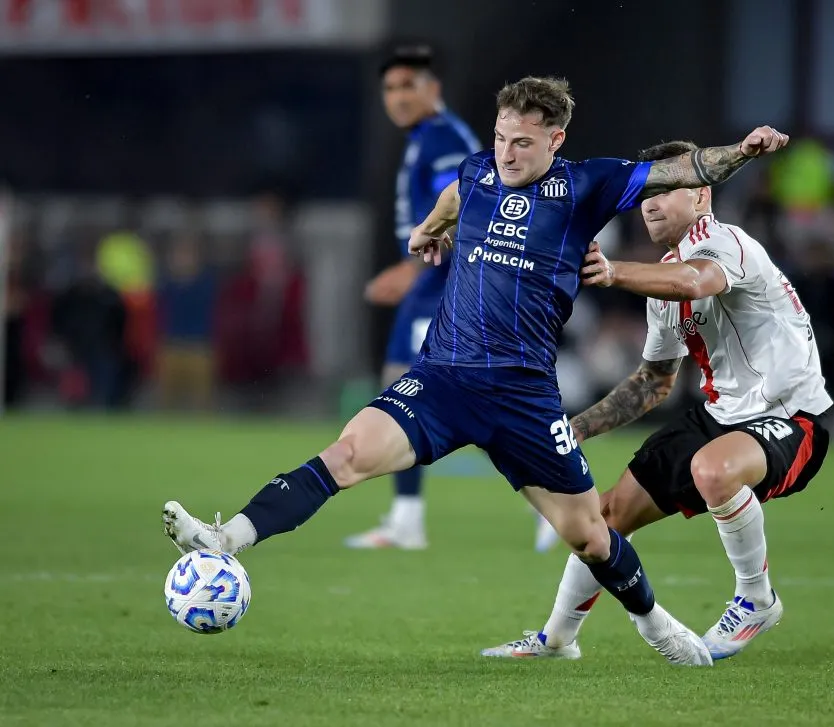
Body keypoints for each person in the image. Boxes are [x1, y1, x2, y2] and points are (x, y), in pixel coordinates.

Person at [162, 78, 787, 667]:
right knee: (347, 453)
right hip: (445, 379)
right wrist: (429, 232)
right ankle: (227, 538)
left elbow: (685, 169)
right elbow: (456, 194)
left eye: (522, 142)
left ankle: (655, 625)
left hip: (523, 395)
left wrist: (744, 150)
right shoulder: (478, 171)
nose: (507, 153)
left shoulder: (589, 185)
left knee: (590, 536)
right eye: (500, 137)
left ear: (554, 140)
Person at [481, 139, 830, 662]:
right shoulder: (661, 284)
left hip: (789, 417)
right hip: (718, 418)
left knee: (713, 471)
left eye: (668, 188)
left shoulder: (726, 243)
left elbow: (697, 281)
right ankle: (557, 639)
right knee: (602, 518)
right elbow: (653, 383)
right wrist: (571, 431)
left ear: (702, 197)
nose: (651, 201)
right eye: (648, 191)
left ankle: (756, 598)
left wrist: (614, 272)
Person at [345, 45, 482, 550]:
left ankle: (556, 501)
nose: (398, 97)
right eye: (390, 88)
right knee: (407, 390)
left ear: (433, 89)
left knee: (422, 392)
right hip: (433, 279)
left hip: (443, 278)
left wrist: (412, 268)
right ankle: (406, 519)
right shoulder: (428, 136)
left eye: (408, 86)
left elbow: (462, 201)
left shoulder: (443, 138)